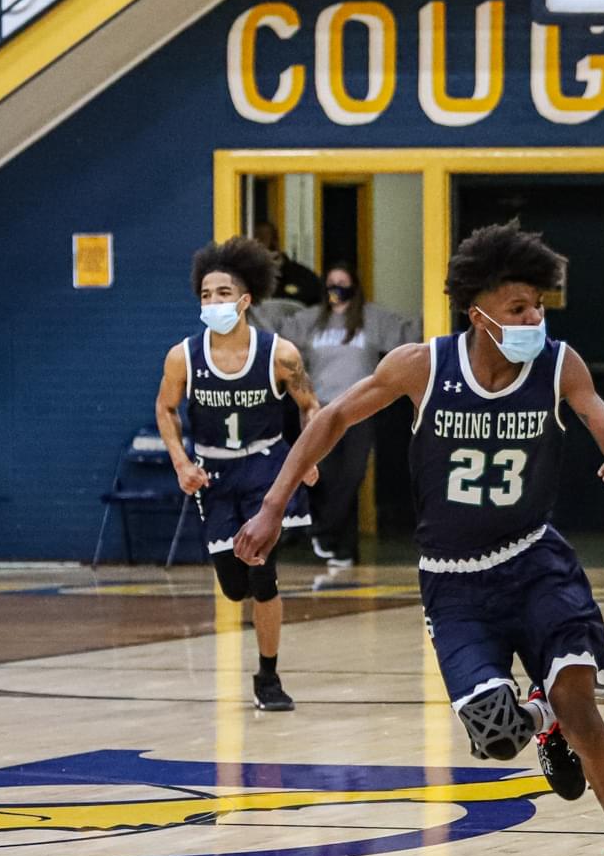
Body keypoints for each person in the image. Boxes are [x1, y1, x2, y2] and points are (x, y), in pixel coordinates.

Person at [233, 222, 604, 856]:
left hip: (536, 562)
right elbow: (330, 420)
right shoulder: (423, 365)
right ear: (479, 312)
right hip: (454, 582)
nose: (534, 318)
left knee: (580, 708)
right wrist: (271, 505)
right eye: (519, 306)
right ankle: (537, 714)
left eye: (539, 306)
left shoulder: (559, 364)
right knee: (496, 737)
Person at [154, 237, 321, 712]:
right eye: (206, 295)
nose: (213, 302)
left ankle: (269, 677)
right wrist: (181, 462)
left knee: (261, 574)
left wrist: (309, 458)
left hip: (266, 467)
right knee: (234, 586)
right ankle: (250, 596)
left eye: (223, 293)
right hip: (213, 472)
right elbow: (165, 408)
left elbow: (311, 407)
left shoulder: (280, 353)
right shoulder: (182, 356)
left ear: (245, 300)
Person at [280, 261, 416, 568]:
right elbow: (279, 341)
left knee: (352, 475)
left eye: (342, 282)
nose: (336, 289)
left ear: (354, 285)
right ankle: (339, 549)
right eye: (331, 282)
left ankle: (323, 532)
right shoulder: (311, 319)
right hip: (322, 408)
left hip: (361, 409)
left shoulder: (372, 318)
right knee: (324, 476)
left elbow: (411, 333)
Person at [250, 221, 323, 308]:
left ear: (275, 243)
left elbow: (320, 314)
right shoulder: (245, 280)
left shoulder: (305, 279)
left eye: (260, 240)